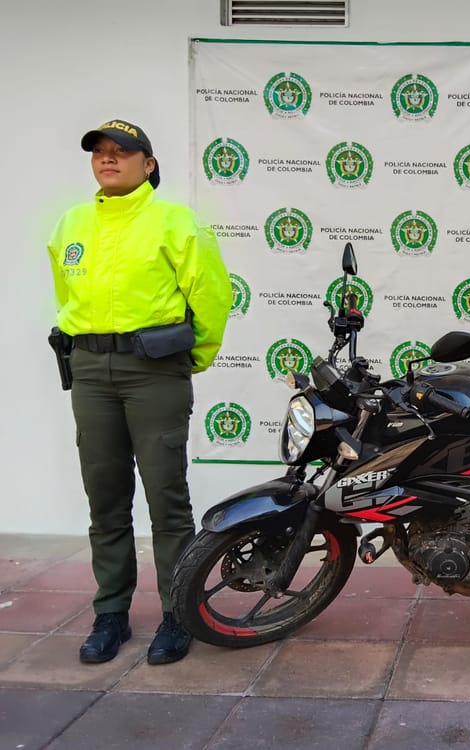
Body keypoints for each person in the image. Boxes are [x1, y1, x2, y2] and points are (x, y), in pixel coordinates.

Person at [47, 119, 230, 665]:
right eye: (100, 153)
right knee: (105, 498)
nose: (108, 160)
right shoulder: (71, 224)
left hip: (152, 370)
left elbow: (212, 295)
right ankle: (111, 613)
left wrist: (191, 359)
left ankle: (179, 613)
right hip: (89, 369)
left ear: (147, 165)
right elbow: (65, 292)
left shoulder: (176, 222)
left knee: (165, 498)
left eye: (121, 152)